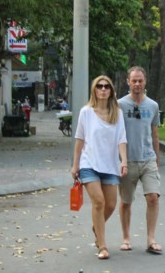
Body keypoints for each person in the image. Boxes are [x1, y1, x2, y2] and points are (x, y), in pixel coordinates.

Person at [70, 76, 128, 260]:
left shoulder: (116, 113)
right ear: (94, 90)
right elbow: (80, 139)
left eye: (107, 86)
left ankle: (97, 226)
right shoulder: (86, 112)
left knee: (110, 204)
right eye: (99, 86)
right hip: (89, 164)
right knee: (99, 202)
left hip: (110, 165)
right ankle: (102, 246)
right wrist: (75, 164)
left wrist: (124, 161)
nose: (103, 89)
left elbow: (121, 138)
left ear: (111, 90)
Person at [118, 66, 163, 255]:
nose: (137, 84)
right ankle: (126, 238)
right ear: (128, 82)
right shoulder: (119, 104)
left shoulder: (152, 106)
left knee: (153, 197)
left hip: (148, 160)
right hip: (127, 160)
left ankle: (151, 239)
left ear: (145, 82)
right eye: (134, 80)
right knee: (126, 201)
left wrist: (157, 157)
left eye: (140, 80)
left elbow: (155, 133)